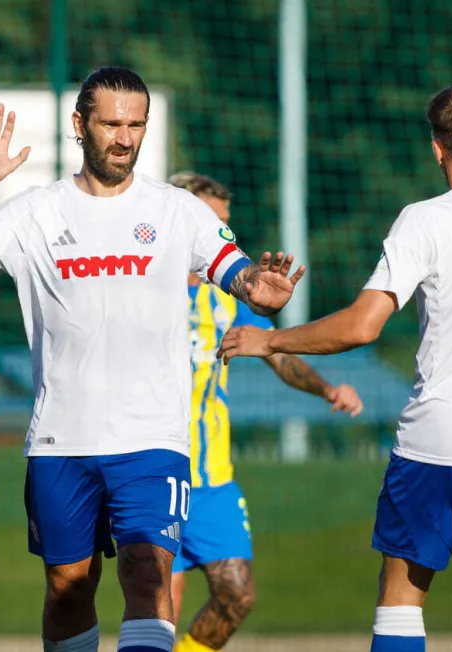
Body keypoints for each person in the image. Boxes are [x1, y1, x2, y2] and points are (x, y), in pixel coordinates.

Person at [0, 66, 305, 652]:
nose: (124, 138)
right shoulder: (36, 212)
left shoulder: (179, 210)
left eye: (136, 125)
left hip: (152, 439)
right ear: (80, 125)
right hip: (62, 441)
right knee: (68, 588)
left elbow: (238, 273)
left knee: (148, 575)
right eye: (110, 124)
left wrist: (261, 286)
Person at [217, 84, 452, 652]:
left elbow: (361, 326)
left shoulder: (425, 220)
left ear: (437, 149)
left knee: (401, 596)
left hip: (441, 438)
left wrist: (271, 341)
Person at [166, 171, 363, 652]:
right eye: (213, 221)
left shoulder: (226, 297)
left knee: (237, 596)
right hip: (154, 473)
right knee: (159, 608)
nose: (222, 234)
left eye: (226, 224)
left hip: (212, 479)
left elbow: (276, 353)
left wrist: (326, 389)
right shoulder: (142, 287)